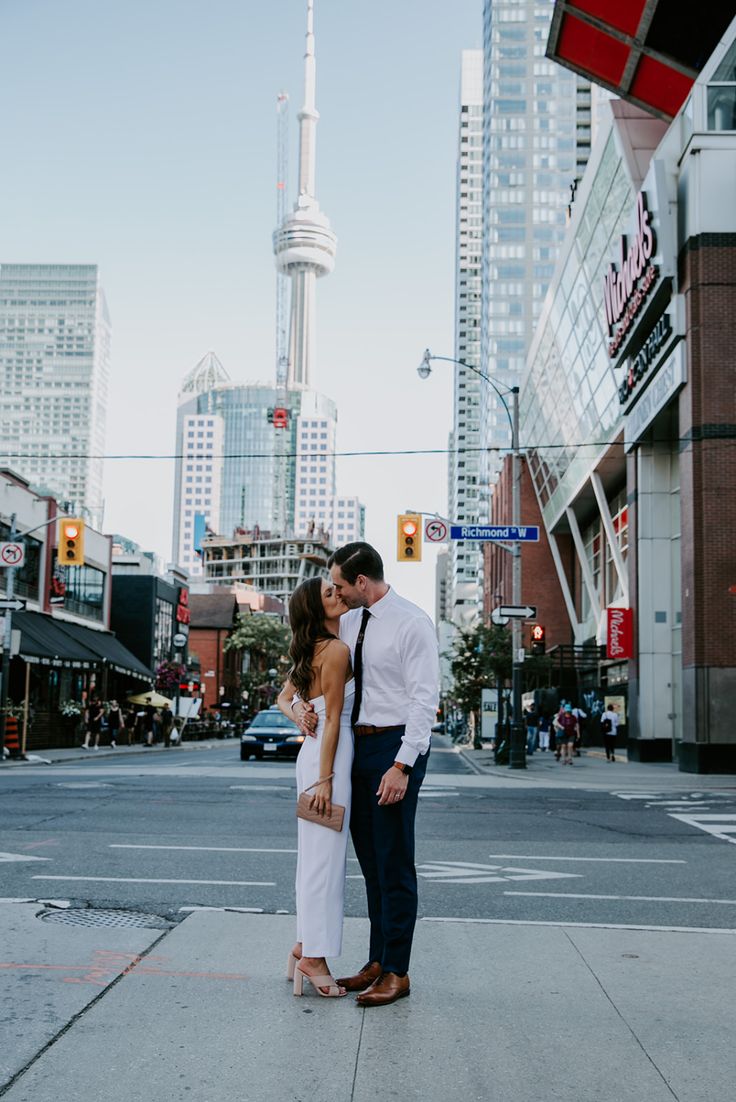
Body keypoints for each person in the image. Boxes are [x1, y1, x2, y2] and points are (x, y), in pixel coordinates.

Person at [292, 542, 439, 1007]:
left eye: (338, 584)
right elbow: (309, 677)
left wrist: (402, 765)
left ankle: (397, 971)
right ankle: (376, 961)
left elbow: (423, 702)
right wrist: (298, 707)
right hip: (356, 748)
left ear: (360, 582)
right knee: (372, 865)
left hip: (394, 748)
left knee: (394, 863)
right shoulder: (350, 621)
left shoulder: (412, 623)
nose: (333, 592)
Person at [277, 576, 353, 998]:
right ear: (315, 610)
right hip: (328, 759)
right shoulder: (337, 650)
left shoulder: (311, 652)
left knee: (313, 859)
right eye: (329, 594)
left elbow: (282, 699)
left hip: (312, 755)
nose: (337, 595)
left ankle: (304, 944)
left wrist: (300, 715)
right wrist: (326, 779)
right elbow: (335, 721)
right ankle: (315, 957)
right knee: (325, 864)